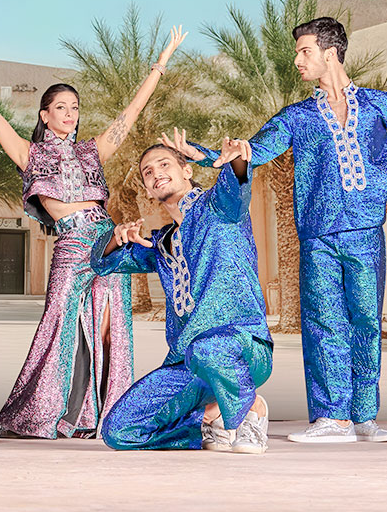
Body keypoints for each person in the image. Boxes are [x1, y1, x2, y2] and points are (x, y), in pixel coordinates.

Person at [178, 17, 387, 444]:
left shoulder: (379, 104)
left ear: (330, 52)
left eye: (305, 51)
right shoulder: (297, 117)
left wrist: (380, 179)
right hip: (318, 234)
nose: (297, 60)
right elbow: (253, 150)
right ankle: (331, 418)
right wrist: (207, 156)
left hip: (366, 229)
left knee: (367, 321)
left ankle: (364, 417)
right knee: (323, 321)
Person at [0, 27, 186, 440]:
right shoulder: (28, 153)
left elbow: (130, 114)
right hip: (71, 244)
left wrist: (160, 64)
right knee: (58, 324)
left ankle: (109, 417)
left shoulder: (93, 149)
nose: (70, 114)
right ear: (44, 114)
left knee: (112, 331)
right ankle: (26, 415)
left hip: (108, 240)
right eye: (60, 107)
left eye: (74, 107)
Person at [94, 134, 272, 453]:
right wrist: (117, 238)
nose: (156, 172)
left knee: (207, 348)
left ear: (187, 171)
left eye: (164, 164)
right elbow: (104, 263)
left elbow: (237, 182)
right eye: (147, 171)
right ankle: (210, 417)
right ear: (148, 190)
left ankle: (251, 412)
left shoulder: (218, 207)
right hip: (189, 363)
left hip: (243, 347)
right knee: (118, 431)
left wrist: (235, 158)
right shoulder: (160, 244)